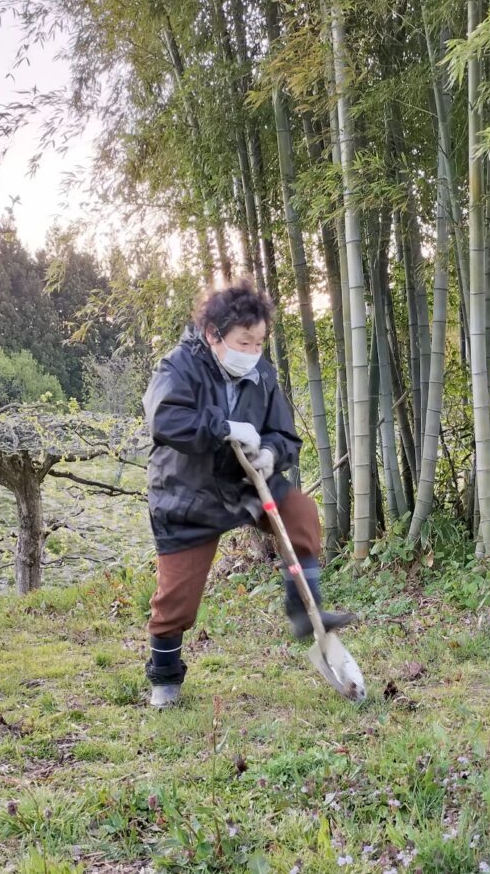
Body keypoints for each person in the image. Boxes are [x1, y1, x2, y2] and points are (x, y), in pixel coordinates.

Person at [142, 279, 356, 708]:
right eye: (245, 341)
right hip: (188, 493)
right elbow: (165, 421)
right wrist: (223, 428)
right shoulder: (178, 368)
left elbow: (284, 434)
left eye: (260, 342)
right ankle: (165, 679)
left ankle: (303, 608)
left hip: (244, 483)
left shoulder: (262, 373)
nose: (253, 352)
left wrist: (273, 454)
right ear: (213, 336)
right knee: (177, 599)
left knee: (299, 512)